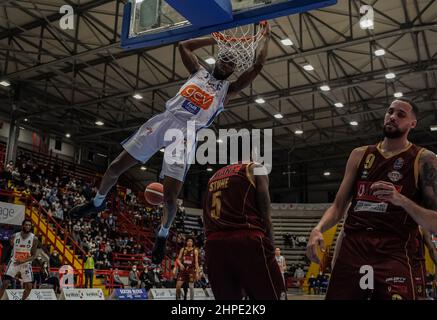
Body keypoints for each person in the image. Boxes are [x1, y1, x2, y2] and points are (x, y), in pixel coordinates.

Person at [69, 24, 271, 264]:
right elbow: (184, 45)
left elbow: (257, 66)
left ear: (233, 70)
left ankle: (162, 236)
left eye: (231, 64)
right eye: (224, 58)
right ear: (217, 59)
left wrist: (265, 37)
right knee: (115, 167)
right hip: (164, 121)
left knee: (170, 198)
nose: (227, 64)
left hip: (185, 135)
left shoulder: (228, 90)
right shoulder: (197, 72)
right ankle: (97, 202)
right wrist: (216, 38)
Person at [306, 98, 437, 300]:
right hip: (354, 249)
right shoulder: (359, 155)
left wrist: (401, 200)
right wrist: (318, 229)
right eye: (390, 111)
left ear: (413, 123)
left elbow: (435, 222)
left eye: (401, 114)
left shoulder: (425, 160)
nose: (392, 116)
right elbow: (339, 206)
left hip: (395, 249)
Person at [203, 162, 286, 300]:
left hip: (214, 245)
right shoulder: (255, 168)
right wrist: (270, 250)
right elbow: (266, 217)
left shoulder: (213, 177)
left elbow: (205, 214)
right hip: (247, 240)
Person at [0, 219, 39, 300]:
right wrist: (4, 262)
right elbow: (8, 250)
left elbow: (34, 255)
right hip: (14, 262)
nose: (28, 226)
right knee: (5, 283)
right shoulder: (14, 236)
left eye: (29, 225)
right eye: (26, 225)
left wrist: (23, 260)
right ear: (22, 226)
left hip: (25, 264)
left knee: (29, 287)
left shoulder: (34, 238)